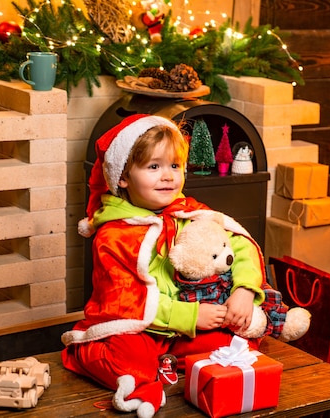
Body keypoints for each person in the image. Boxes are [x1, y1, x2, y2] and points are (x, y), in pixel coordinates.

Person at [61, 114, 268, 418]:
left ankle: (166, 359)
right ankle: (87, 352)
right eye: (153, 167)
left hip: (181, 331)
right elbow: (124, 302)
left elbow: (238, 243)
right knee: (128, 359)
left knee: (237, 344)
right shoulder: (113, 235)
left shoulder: (187, 211)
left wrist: (245, 290)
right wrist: (191, 315)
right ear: (123, 177)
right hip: (140, 328)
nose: (168, 176)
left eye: (174, 166)